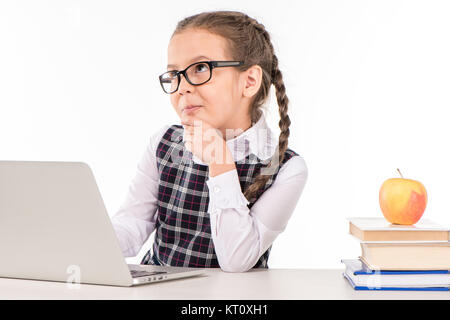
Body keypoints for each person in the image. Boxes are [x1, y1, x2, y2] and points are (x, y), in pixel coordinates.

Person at [111, 10, 308, 273]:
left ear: (249, 81)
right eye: (174, 75)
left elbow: (236, 260)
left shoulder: (287, 168)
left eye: (201, 68)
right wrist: (84, 244)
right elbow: (131, 224)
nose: (182, 87)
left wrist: (220, 161)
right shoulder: (164, 143)